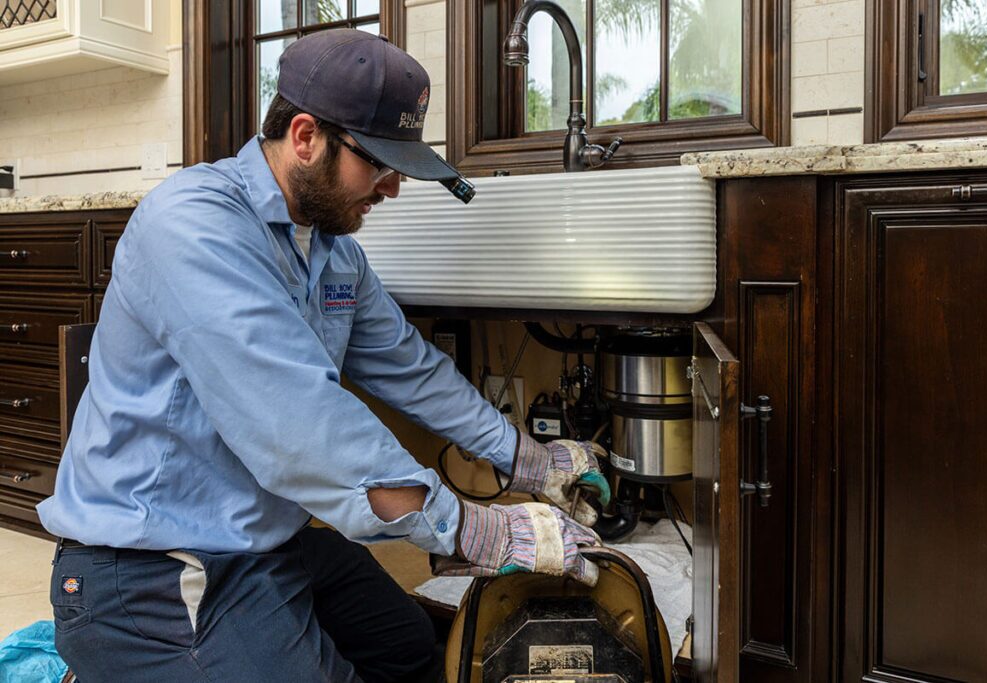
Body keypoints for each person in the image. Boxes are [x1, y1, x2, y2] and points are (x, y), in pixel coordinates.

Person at [36, 28, 610, 683]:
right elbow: (299, 426)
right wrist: (473, 529)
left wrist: (529, 459)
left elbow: (413, 371)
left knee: (415, 649)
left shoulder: (334, 253)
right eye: (379, 164)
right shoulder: (192, 223)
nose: (392, 187)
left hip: (263, 541)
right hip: (149, 566)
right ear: (305, 136)